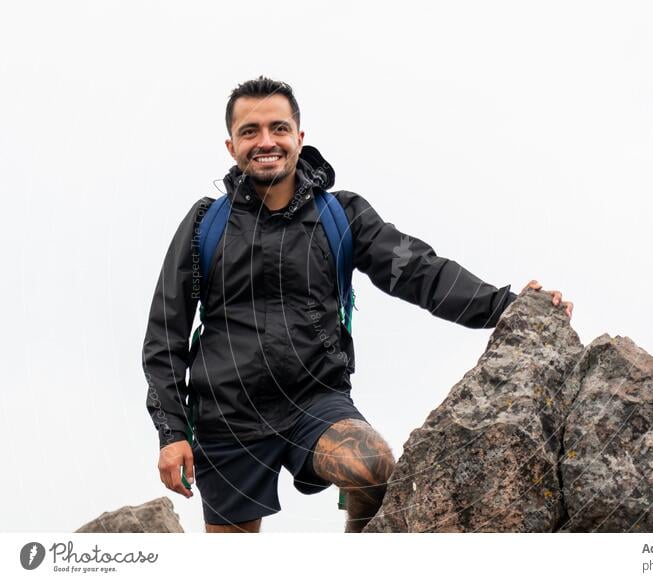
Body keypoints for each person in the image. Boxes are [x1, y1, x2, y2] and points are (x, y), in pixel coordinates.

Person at [142, 76, 574, 534]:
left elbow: (419, 271)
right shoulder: (204, 225)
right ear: (231, 146)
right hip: (226, 418)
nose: (265, 141)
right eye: (250, 131)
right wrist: (172, 435)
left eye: (278, 128)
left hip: (315, 402)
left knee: (372, 468)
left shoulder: (340, 216)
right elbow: (164, 336)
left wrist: (506, 307)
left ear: (299, 137)